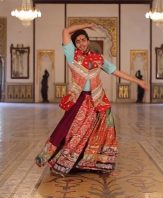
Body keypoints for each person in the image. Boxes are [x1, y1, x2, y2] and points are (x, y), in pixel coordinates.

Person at [35, 23, 147, 176]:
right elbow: (66, 31)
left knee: (100, 130)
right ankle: (68, 161)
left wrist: (138, 81)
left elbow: (116, 72)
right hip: (79, 99)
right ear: (74, 44)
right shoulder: (71, 55)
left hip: (98, 99)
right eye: (78, 41)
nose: (81, 43)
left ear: (88, 41)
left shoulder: (97, 59)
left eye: (84, 39)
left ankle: (93, 161)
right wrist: (87, 24)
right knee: (72, 131)